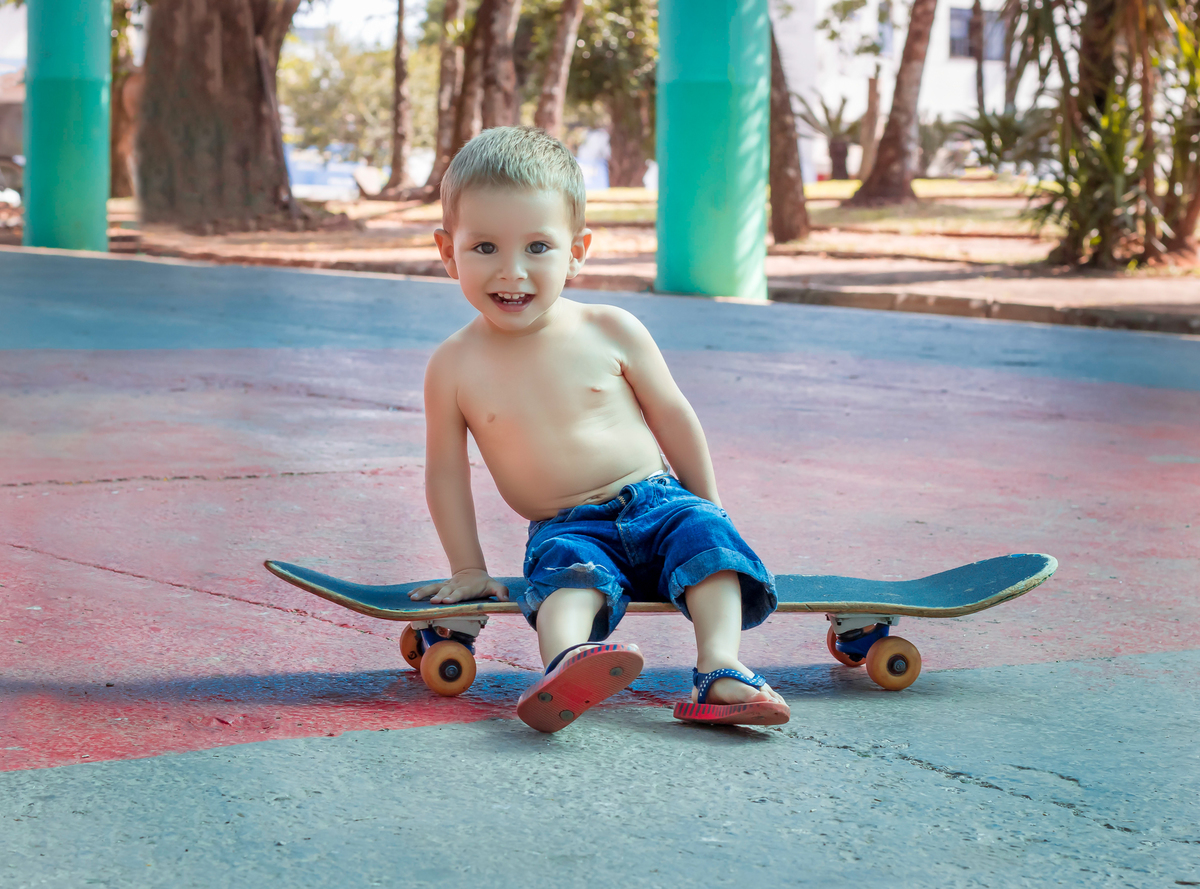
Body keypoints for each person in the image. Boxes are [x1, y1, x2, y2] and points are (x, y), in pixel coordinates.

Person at [411, 126, 789, 733]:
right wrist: (467, 567)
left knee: (710, 551)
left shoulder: (612, 330)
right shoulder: (453, 366)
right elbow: (445, 472)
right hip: (568, 525)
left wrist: (709, 502)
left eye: (538, 247)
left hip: (657, 501)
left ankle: (721, 669)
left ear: (578, 250)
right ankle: (569, 666)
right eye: (484, 247)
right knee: (566, 582)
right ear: (448, 251)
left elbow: (674, 417)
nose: (513, 272)